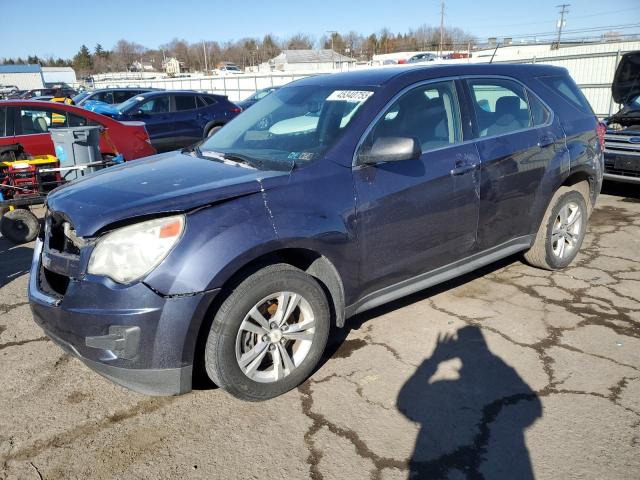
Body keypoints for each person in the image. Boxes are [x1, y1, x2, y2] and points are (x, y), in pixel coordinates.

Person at [397, 326, 542, 478]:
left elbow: (405, 402)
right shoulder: (445, 387)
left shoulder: (441, 388)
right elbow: (533, 408)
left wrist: (435, 359)